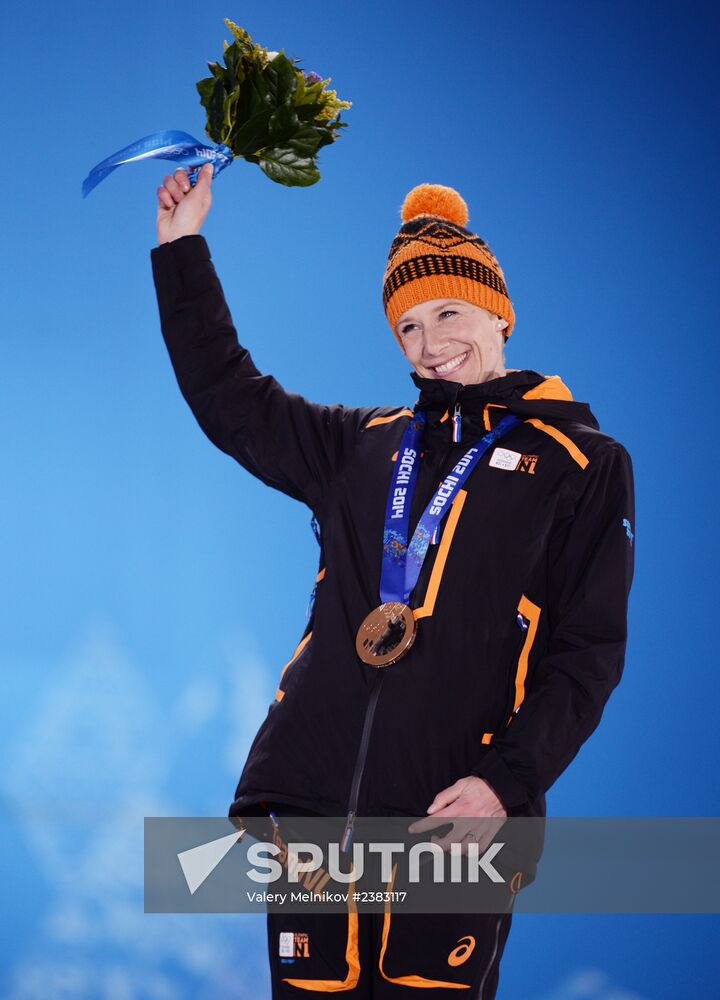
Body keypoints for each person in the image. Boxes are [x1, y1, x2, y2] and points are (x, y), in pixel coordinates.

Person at [151, 163, 635, 997]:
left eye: (447, 312)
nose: (429, 344)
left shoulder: (582, 466)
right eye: (407, 327)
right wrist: (182, 245)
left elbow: (586, 657)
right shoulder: (361, 448)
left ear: (498, 311)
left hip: (452, 820)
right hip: (312, 821)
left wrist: (504, 786)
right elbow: (230, 397)